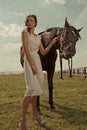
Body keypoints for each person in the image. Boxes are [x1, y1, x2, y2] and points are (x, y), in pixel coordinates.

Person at [19, 14, 60, 130]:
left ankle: (35, 115)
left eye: (31, 20)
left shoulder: (38, 37)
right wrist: (32, 65)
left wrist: (52, 43)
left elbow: (43, 52)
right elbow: (26, 50)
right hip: (29, 61)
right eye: (27, 20)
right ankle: (22, 120)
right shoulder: (24, 33)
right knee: (30, 89)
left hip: (37, 60)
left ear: (35, 23)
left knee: (36, 90)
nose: (28, 22)